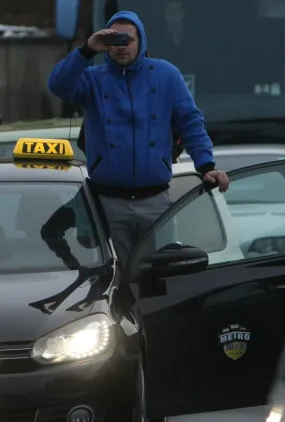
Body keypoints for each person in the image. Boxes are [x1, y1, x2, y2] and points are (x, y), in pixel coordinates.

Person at [47, 10, 229, 265]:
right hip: (108, 201)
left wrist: (206, 166)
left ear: (141, 40)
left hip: (156, 201)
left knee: (159, 274)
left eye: (127, 40)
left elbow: (190, 123)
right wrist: (87, 50)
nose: (121, 47)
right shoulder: (92, 78)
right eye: (114, 41)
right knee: (115, 275)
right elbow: (57, 85)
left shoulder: (166, 75)